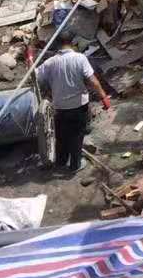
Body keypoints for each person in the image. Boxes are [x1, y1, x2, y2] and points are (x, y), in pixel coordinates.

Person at [34, 36, 111, 174]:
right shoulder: (80, 58)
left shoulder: (50, 62)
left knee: (62, 136)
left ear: (58, 46)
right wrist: (103, 97)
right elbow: (92, 80)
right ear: (72, 44)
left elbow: (35, 77)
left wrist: (30, 62)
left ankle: (61, 162)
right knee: (77, 135)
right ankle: (75, 165)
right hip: (78, 105)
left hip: (60, 107)